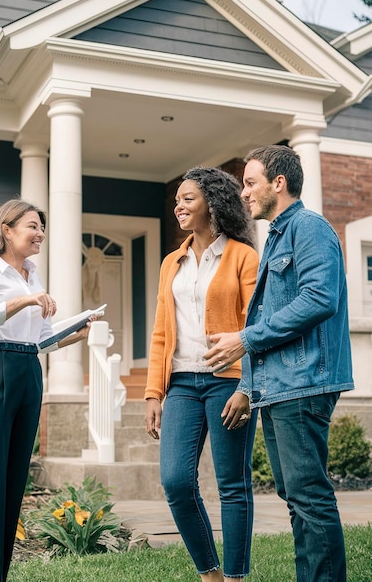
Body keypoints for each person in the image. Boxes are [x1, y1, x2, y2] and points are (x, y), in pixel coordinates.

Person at [205, 145, 354, 582]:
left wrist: (244, 340)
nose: (244, 194)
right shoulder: (277, 235)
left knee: (308, 496)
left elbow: (318, 299)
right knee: (296, 495)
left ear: (278, 183)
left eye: (250, 183)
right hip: (281, 386)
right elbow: (268, 315)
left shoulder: (309, 228)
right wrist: (250, 386)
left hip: (305, 382)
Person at [0, 199, 93, 582]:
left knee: (13, 483)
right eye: (33, 226)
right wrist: (22, 301)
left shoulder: (33, 277)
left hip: (28, 372)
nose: (41, 234)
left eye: (42, 228)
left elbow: (41, 340)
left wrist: (73, 334)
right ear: (7, 230)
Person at [144, 167, 260, 582]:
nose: (178, 205)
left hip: (229, 382)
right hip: (182, 383)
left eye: (188, 198)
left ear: (213, 202)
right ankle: (209, 573)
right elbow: (161, 329)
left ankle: (234, 576)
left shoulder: (244, 257)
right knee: (175, 480)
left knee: (232, 484)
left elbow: (254, 325)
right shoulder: (170, 262)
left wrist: (248, 387)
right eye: (177, 199)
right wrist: (153, 393)